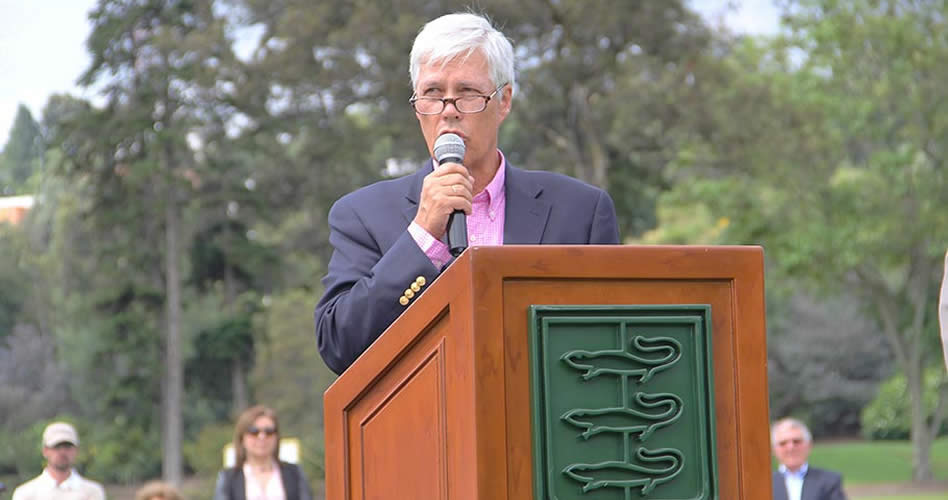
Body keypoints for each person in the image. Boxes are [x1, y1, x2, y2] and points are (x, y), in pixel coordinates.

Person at [315, 12, 620, 374]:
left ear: (504, 101)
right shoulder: (362, 215)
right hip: (424, 426)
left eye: (468, 93)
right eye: (432, 94)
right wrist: (423, 236)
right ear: (416, 106)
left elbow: (610, 345)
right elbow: (339, 345)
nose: (449, 112)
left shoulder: (580, 211)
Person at [212, 405, 312, 500]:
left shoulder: (295, 473)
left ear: (277, 437)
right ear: (242, 437)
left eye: (269, 432)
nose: (262, 437)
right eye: (254, 431)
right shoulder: (228, 478)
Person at [11, 421, 106, 500]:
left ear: (76, 450)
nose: (62, 452)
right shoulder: (25, 494)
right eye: (57, 447)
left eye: (67, 447)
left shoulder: (92, 492)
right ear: (45, 451)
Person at [770, 418, 847, 500]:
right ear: (773, 449)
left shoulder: (830, 481)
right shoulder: (764, 485)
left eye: (796, 441)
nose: (790, 447)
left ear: (809, 445)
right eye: (783, 443)